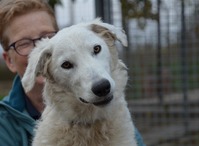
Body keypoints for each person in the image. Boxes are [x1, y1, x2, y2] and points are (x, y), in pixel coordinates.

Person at [0, 0, 146, 146]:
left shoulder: (118, 114)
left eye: (47, 35)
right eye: (23, 43)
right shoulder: (3, 125)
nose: (37, 48)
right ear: (9, 61)